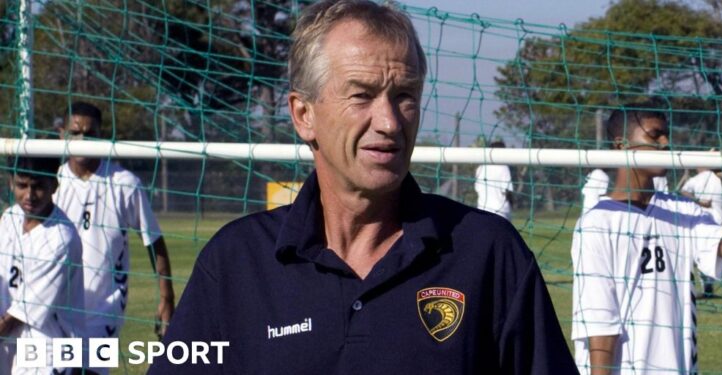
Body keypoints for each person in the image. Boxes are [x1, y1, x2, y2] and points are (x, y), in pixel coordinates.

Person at [150, 1, 577, 373]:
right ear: (303, 115)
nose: (390, 122)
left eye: (405, 95)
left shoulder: (488, 253)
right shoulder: (235, 264)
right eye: (361, 95)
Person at [571, 102, 722, 374]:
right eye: (654, 136)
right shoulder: (596, 223)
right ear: (621, 145)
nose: (665, 143)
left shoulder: (682, 210)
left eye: (666, 135)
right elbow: (599, 325)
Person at [54, 102, 175, 350]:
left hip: (105, 309)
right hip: (57, 306)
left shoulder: (124, 183)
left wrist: (167, 297)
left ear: (102, 136)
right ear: (61, 133)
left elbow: (154, 241)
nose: (82, 139)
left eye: (90, 133)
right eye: (75, 132)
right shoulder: (52, 184)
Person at [0, 157, 85, 373]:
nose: (29, 195)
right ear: (11, 183)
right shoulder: (9, 218)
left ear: (53, 186)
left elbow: (21, 313)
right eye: (22, 185)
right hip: (11, 344)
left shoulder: (61, 239)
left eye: (38, 187)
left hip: (48, 349)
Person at [681, 166, 722, 296]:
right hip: (719, 219)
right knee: (712, 253)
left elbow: (683, 190)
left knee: (700, 253)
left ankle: (704, 285)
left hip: (701, 220)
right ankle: (708, 285)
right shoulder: (719, 178)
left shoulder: (696, 179)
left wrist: (698, 201)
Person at [475, 141, 514, 220]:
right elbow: (507, 191)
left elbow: (477, 189)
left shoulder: (481, 168)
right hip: (501, 212)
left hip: (482, 211)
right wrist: (512, 204)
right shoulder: (503, 168)